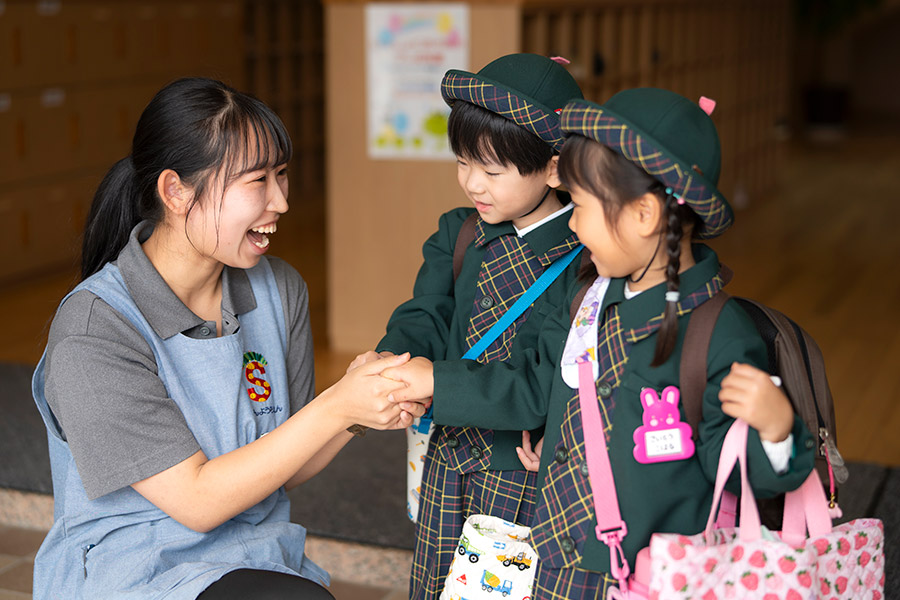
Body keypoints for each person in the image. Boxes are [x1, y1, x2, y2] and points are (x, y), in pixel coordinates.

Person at [385, 89, 817, 599]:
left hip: (641, 572)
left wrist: (777, 428)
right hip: (556, 542)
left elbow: (736, 471)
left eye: (583, 206)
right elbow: (570, 388)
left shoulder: (717, 333)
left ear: (643, 215)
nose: (572, 221)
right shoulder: (592, 296)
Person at [30, 77, 426, 600]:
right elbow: (197, 501)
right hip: (133, 570)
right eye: (257, 180)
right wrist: (336, 407)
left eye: (282, 175)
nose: (281, 201)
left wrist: (358, 407)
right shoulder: (95, 331)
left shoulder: (279, 290)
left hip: (250, 555)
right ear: (175, 192)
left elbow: (284, 462)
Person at [350, 53, 585, 600]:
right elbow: (428, 314)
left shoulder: (583, 258)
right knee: (433, 579)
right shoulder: (459, 233)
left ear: (554, 168)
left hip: (519, 469)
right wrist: (393, 361)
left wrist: (432, 382)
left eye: (493, 171)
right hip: (448, 450)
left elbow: (539, 381)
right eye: (463, 162)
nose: (472, 184)